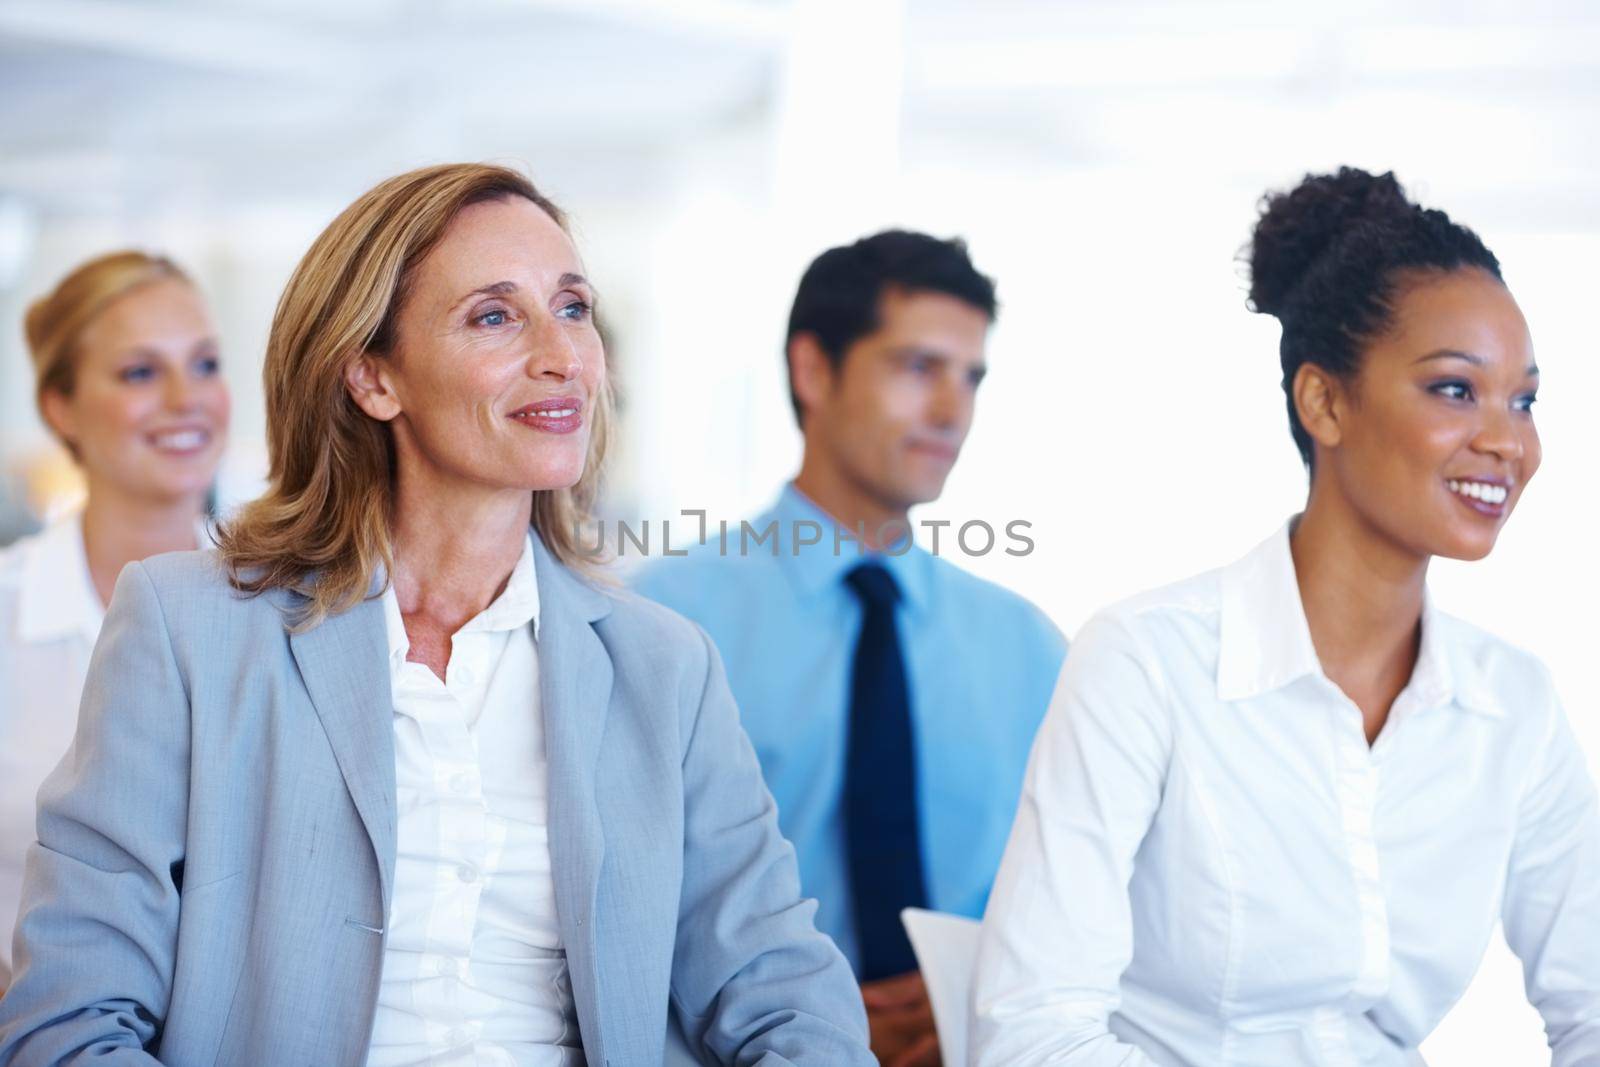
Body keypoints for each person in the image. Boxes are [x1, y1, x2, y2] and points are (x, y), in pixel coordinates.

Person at [0, 163, 872, 1066]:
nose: (561, 354)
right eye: (495, 315)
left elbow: (786, 996)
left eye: (572, 307)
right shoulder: (186, 627)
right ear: (373, 376)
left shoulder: (666, 666)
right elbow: (71, 1019)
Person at [972, 167, 1600, 1065]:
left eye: (1525, 399)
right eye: (1456, 390)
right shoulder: (1148, 664)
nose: (1509, 441)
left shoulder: (1514, 706)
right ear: (1325, 401)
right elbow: (1033, 1032)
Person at [634, 229, 1066, 1066]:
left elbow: (1085, 906)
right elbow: (619, 909)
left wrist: (969, 997)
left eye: (970, 376)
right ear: (813, 370)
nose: (951, 410)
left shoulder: (1031, 648)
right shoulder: (662, 624)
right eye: (917, 367)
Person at [0, 251, 229, 990]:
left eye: (204, 365)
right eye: (139, 372)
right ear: (60, 406)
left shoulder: (294, 606)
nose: (184, 398)